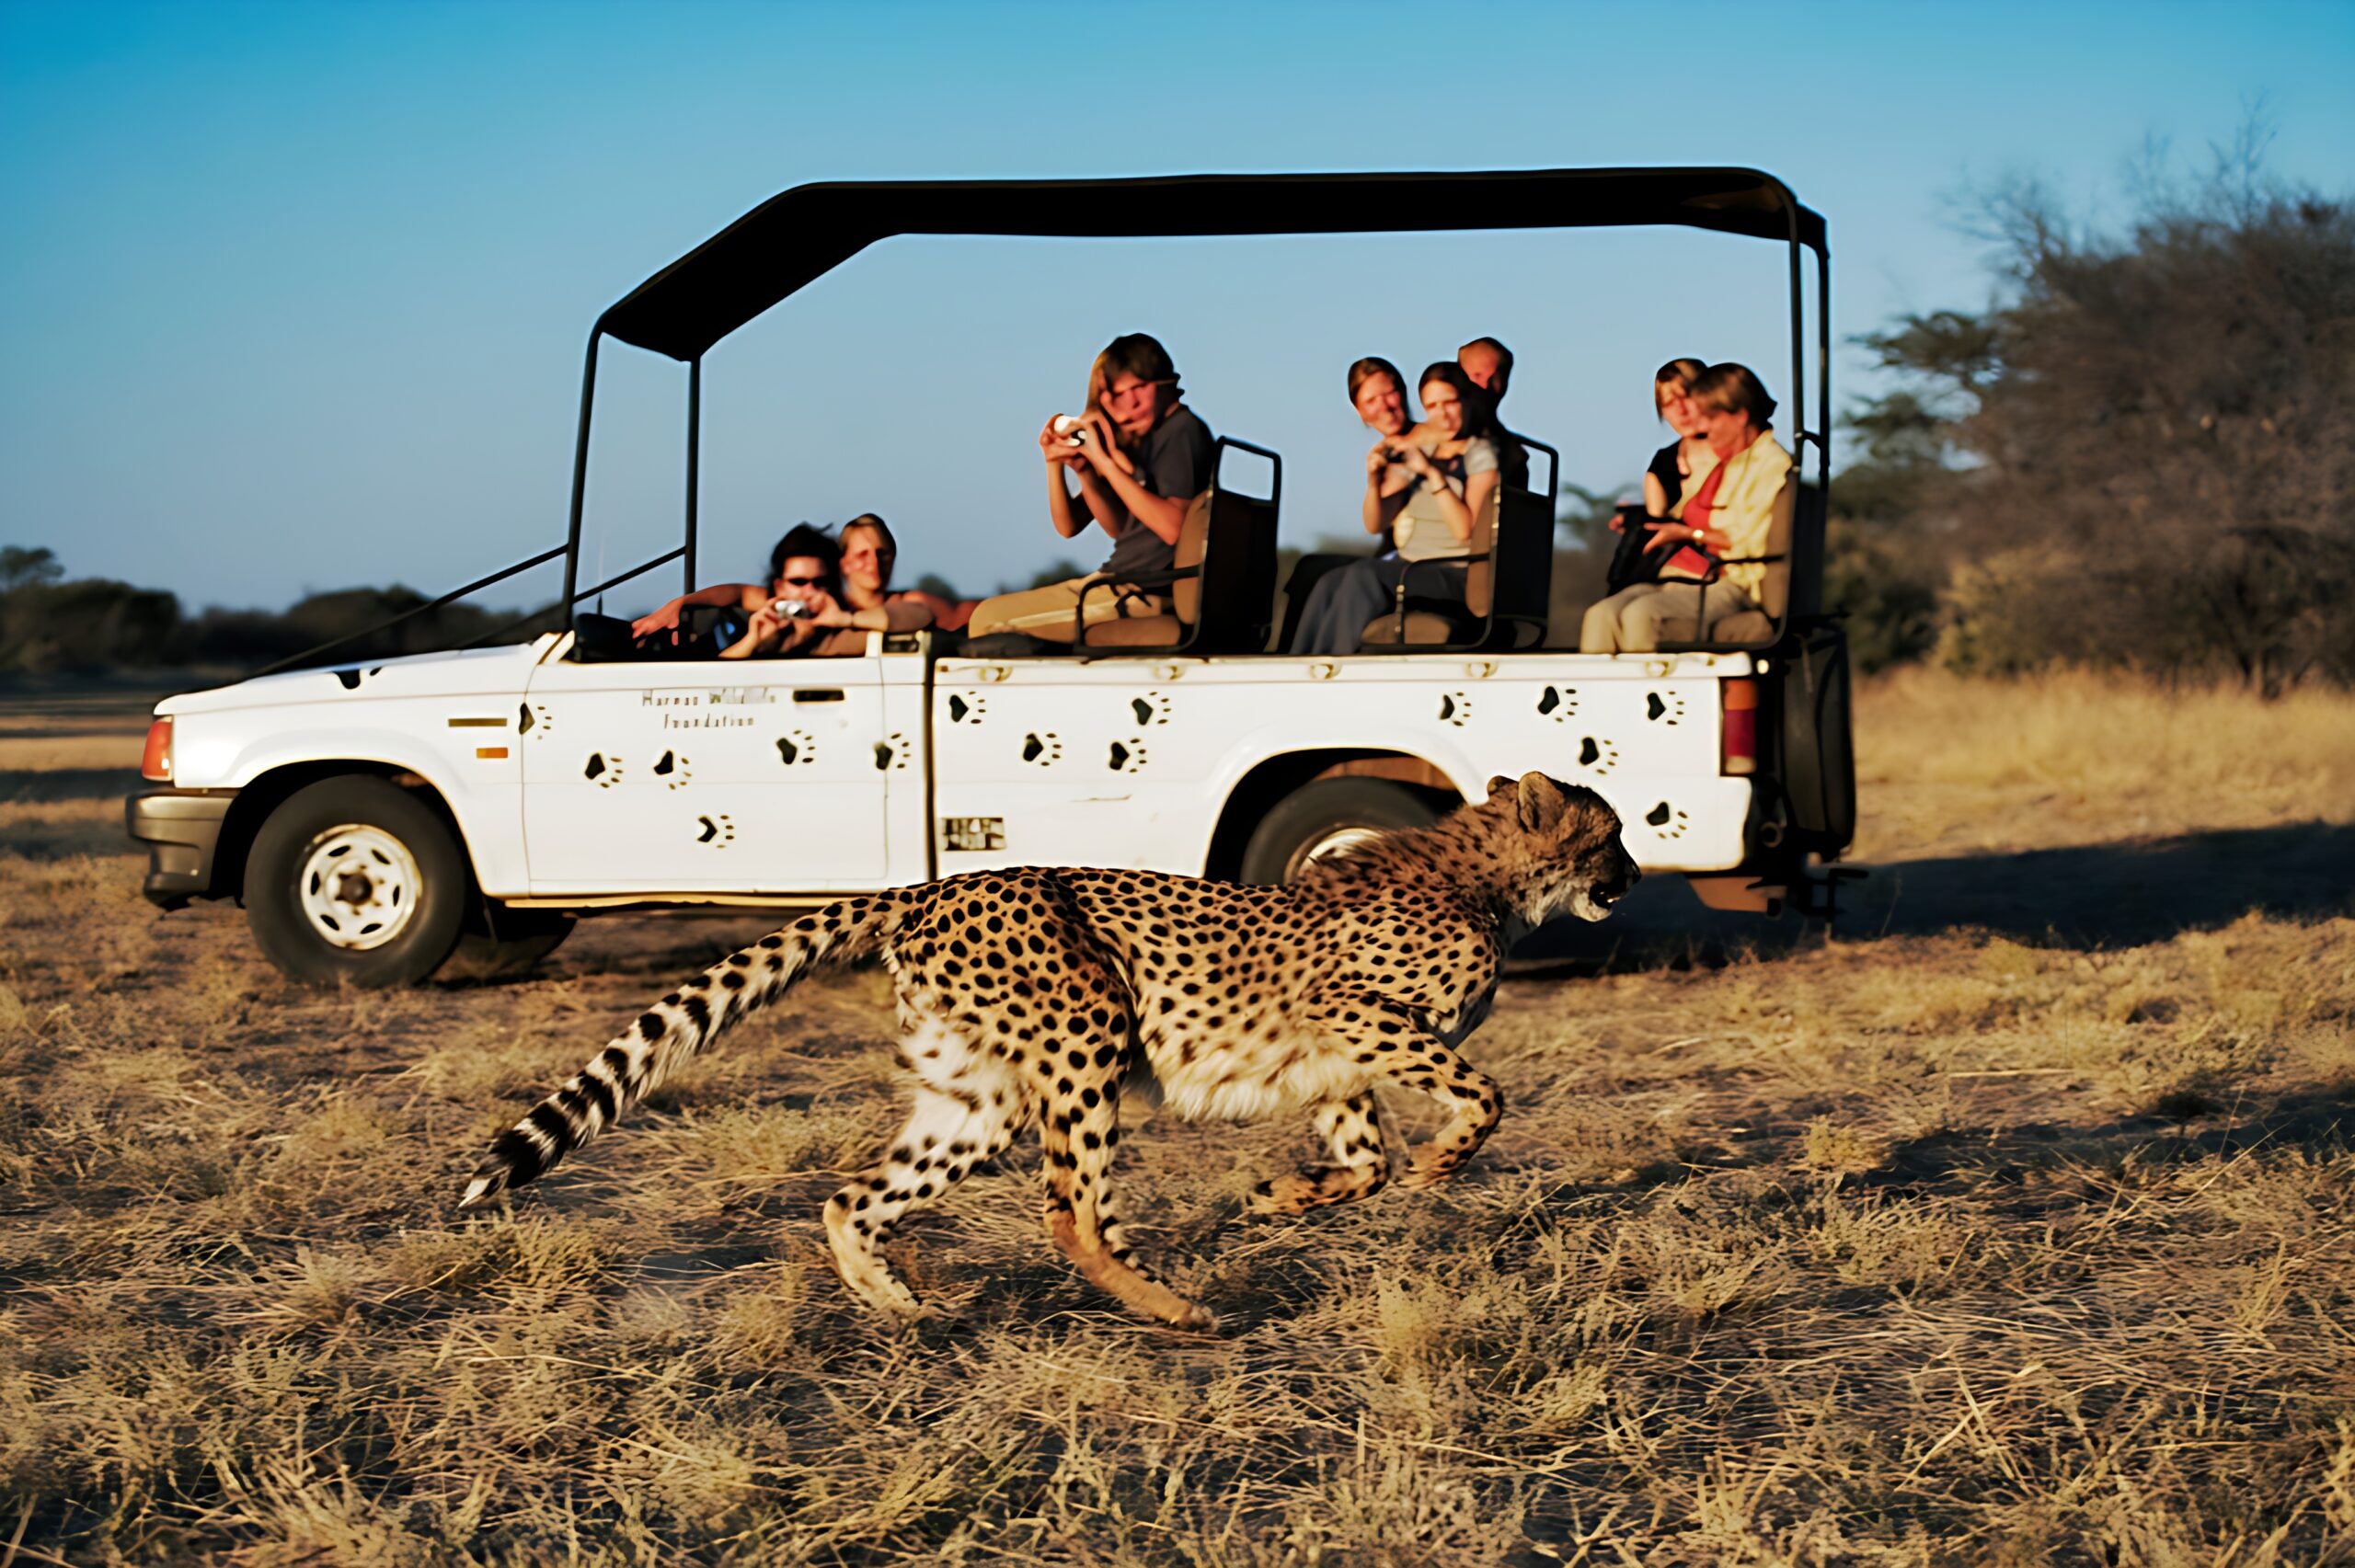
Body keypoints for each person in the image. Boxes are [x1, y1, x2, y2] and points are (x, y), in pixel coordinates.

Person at [964, 333, 1217, 643]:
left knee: (988, 619)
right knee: (988, 614)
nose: (1132, 403)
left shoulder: (1181, 432)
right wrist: (1069, 466)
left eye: (1139, 388)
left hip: (1138, 590)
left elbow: (1173, 527)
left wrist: (1104, 461)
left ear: (1166, 383)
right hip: (1121, 584)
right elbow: (1077, 526)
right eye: (1119, 394)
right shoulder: (1146, 444)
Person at [1288, 361, 1502, 655]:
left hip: (1452, 567)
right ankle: (1297, 665)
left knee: (1364, 576)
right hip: (1411, 561)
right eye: (1432, 406)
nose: (1441, 414)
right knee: (1325, 579)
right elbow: (1375, 522)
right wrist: (1374, 481)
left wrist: (1431, 473)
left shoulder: (1477, 452)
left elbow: (1467, 530)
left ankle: (1333, 667)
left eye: (1450, 402)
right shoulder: (1417, 451)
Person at [1580, 362, 1794, 653]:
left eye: (1709, 417)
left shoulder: (1771, 467)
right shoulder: (1731, 461)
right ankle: (1599, 698)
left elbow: (1744, 544)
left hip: (1731, 579)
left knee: (1640, 616)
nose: (1701, 426)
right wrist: (1639, 520)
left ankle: (1653, 695)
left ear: (1740, 416)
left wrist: (1690, 534)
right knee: (1599, 615)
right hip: (1682, 574)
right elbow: (1686, 513)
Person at [630, 523, 906, 658]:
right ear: (780, 586)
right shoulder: (772, 615)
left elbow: (909, 618)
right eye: (798, 582)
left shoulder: (846, 625)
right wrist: (680, 604)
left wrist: (843, 620)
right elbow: (737, 593)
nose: (808, 592)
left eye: (819, 583)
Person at [1603, 357, 1710, 596]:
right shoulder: (1663, 463)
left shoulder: (1736, 450)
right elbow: (1657, 519)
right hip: (1668, 566)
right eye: (1668, 403)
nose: (1680, 410)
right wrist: (1638, 520)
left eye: (1686, 397)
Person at [838, 514, 972, 632]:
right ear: (844, 564)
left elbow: (965, 614)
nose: (874, 562)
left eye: (882, 553)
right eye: (862, 555)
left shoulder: (916, 602)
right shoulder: (830, 608)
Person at [1456, 336, 1531, 491]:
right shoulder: (1426, 438)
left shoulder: (1513, 454)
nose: (1484, 385)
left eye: (1494, 378)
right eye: (1477, 375)